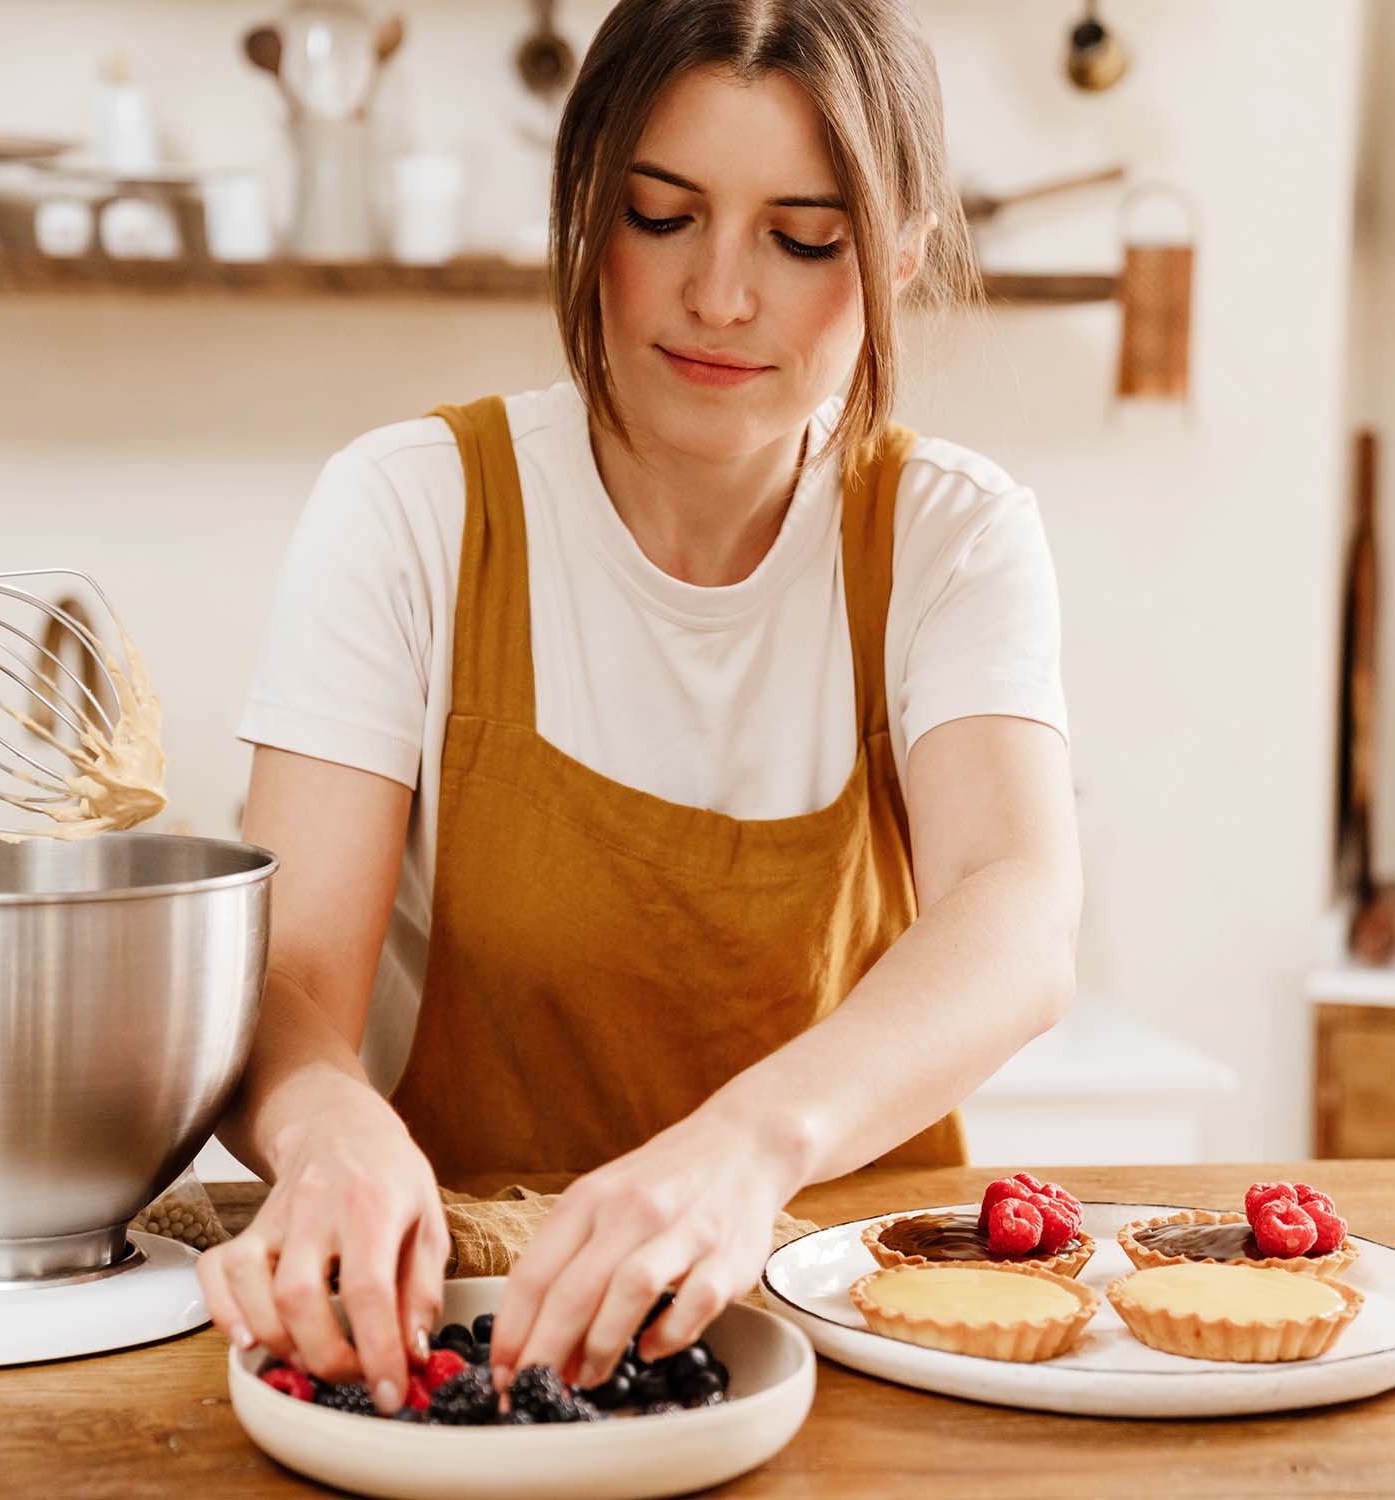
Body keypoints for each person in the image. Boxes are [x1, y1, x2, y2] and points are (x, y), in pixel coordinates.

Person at [199, 0, 1082, 1417]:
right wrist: (322, 1131)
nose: (720, 295)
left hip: (847, 1317)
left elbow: (1017, 909)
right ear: (581, 211)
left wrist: (746, 1149)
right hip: (467, 1324)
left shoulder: (949, 534)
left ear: (902, 261)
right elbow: (289, 981)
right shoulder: (413, 509)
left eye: (804, 240)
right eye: (660, 216)